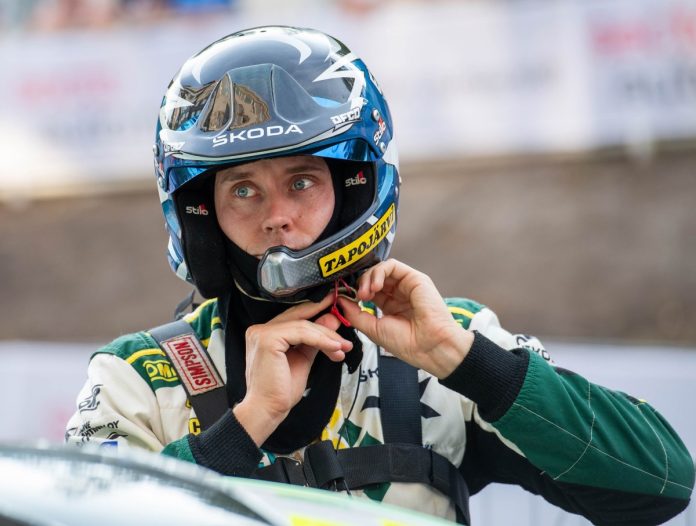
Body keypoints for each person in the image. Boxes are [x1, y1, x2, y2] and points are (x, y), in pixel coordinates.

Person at [66, 26, 694, 524]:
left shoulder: (450, 341)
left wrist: (464, 361)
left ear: (354, 190)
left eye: (301, 182)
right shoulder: (137, 376)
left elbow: (660, 484)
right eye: (243, 190)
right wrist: (247, 423)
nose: (277, 216)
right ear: (202, 217)